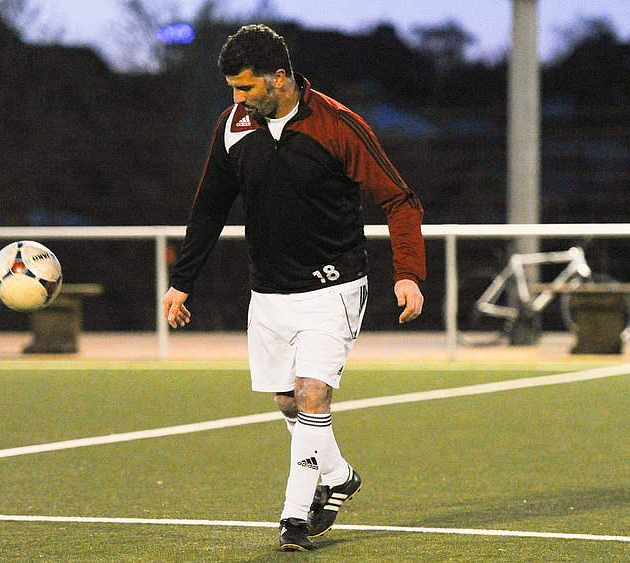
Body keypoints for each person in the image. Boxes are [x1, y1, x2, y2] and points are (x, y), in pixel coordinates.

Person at [162, 24, 427, 551]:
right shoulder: (233, 127)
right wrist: (181, 282)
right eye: (232, 89)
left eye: (245, 87)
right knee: (288, 401)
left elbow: (401, 200)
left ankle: (294, 516)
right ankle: (340, 476)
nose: (238, 99)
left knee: (312, 394)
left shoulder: (337, 125)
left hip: (334, 287)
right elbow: (209, 207)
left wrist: (408, 274)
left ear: (279, 78)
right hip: (269, 291)